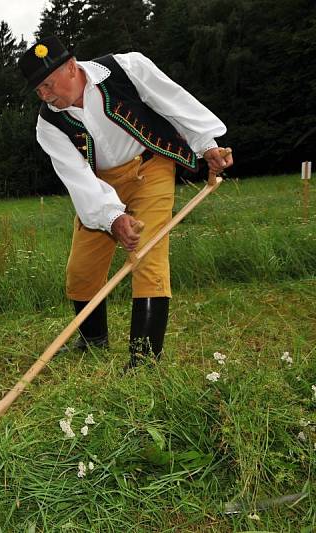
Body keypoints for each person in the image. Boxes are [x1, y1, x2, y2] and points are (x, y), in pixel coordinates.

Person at [18, 36, 233, 369]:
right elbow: (78, 178)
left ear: (71, 67)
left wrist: (207, 146)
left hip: (151, 168)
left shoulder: (126, 67)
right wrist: (112, 217)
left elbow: (174, 103)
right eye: (38, 90)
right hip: (100, 187)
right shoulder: (48, 125)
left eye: (47, 84)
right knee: (81, 270)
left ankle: (144, 358)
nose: (44, 95)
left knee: (147, 255)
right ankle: (93, 339)